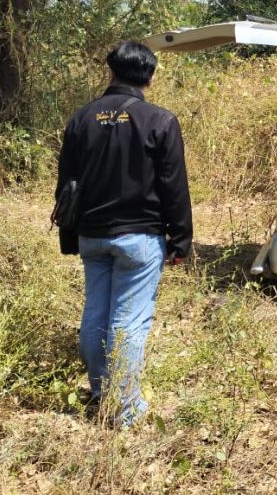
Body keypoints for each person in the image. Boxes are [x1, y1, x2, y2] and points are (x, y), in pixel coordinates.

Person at [56, 41, 192, 427]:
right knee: (127, 324)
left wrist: (71, 237)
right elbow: (174, 187)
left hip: (92, 237)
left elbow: (66, 186)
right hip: (140, 239)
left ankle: (102, 395)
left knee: (95, 317)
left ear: (111, 71)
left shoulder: (81, 119)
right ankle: (125, 410)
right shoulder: (160, 120)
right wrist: (180, 240)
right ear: (149, 76)